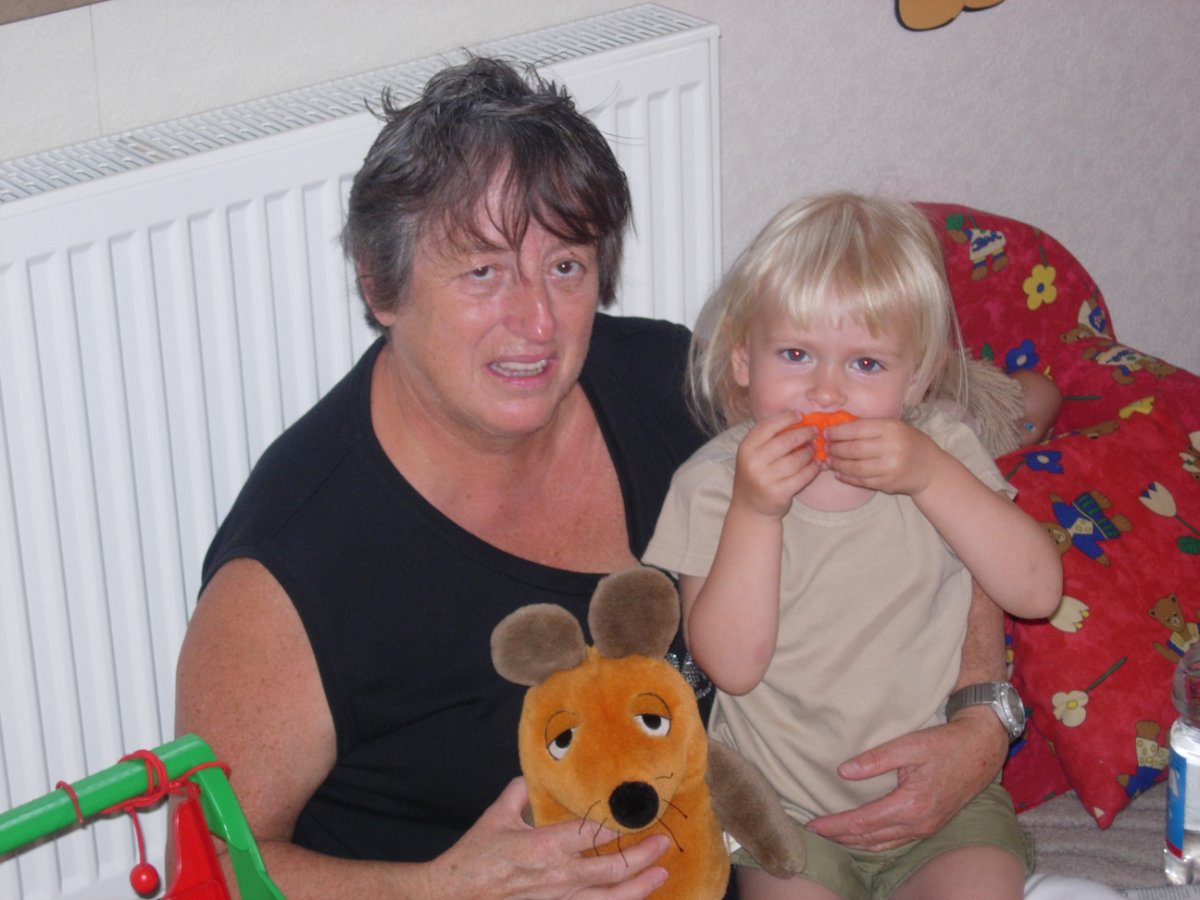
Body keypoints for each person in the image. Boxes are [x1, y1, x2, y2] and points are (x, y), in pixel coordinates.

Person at [173, 59, 1016, 900]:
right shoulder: (293, 567)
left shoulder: (664, 385)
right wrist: (448, 887)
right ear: (379, 283)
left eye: (566, 266)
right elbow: (206, 867)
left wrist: (982, 713)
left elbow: (931, 472)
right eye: (483, 271)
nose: (537, 321)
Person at [643, 193, 1063, 899]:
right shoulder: (713, 484)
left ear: (917, 376)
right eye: (796, 354)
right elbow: (732, 667)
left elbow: (1037, 592)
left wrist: (931, 475)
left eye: (866, 364)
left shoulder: (942, 451)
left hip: (947, 816)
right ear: (743, 358)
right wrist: (756, 511)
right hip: (783, 820)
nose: (825, 390)